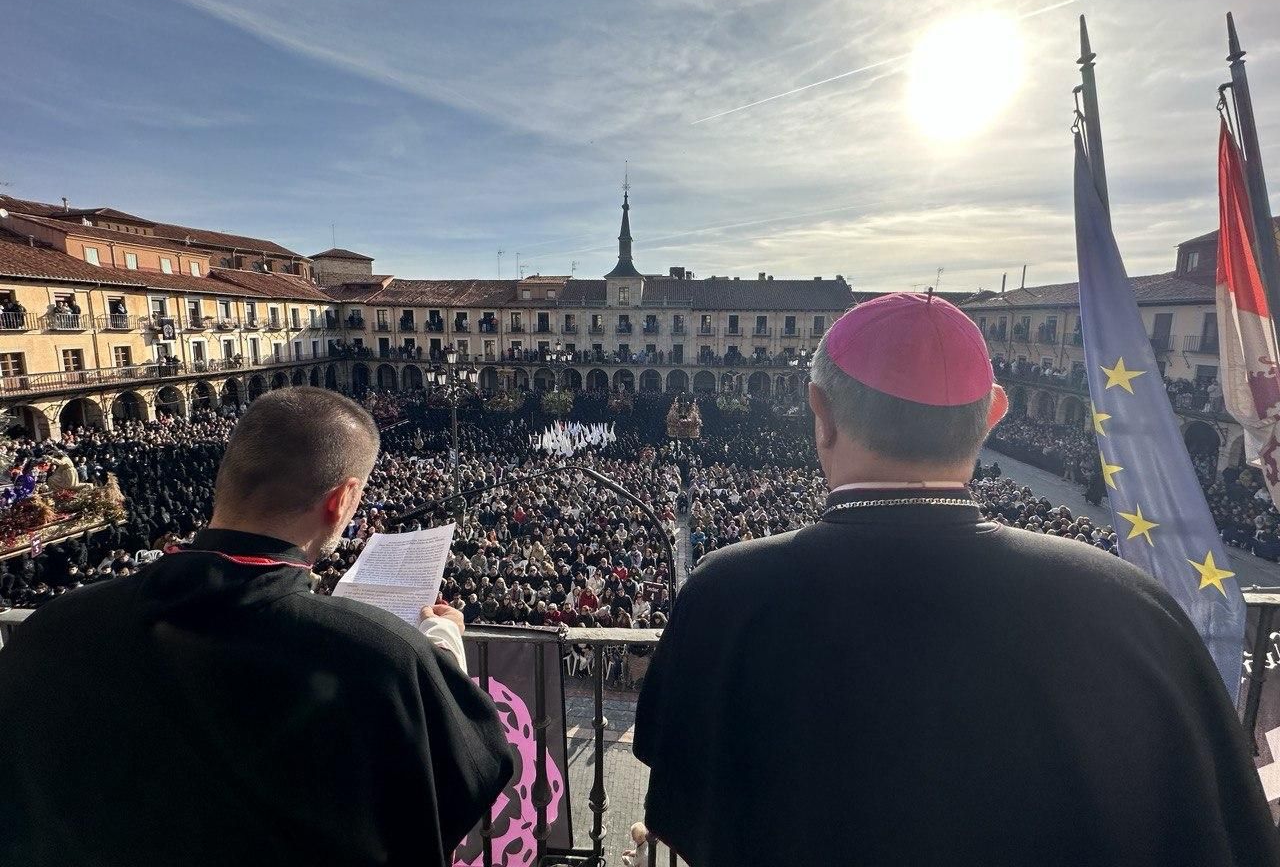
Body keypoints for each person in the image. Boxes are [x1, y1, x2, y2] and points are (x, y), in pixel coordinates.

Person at [634, 292, 1278, 867]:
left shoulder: (726, 595)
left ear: (820, 412)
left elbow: (683, 812)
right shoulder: (1133, 608)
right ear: (993, 413)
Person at [0, 387, 514, 867]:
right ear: (343, 499)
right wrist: (441, 648)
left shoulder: (50, 631)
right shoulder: (381, 657)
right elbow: (473, 771)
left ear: (228, 476)